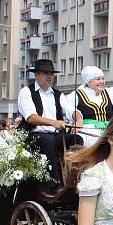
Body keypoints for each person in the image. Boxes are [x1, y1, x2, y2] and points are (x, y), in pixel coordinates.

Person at [17, 59, 82, 195]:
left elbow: (72, 111)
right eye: (45, 73)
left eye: (51, 73)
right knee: (48, 140)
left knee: (76, 139)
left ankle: (74, 179)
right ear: (36, 75)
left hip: (54, 135)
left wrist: (78, 119)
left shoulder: (58, 94)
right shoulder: (26, 92)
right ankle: (52, 184)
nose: (49, 76)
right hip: (32, 135)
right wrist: (53, 122)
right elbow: (31, 118)